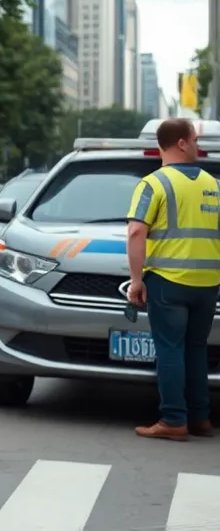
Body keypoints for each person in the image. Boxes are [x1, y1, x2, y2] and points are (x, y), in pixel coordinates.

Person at [126, 117, 220, 440]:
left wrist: (136, 281)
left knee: (169, 349)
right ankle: (200, 418)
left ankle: (173, 420)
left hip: (168, 281)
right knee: (196, 349)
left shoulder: (153, 184)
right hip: (208, 284)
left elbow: (137, 231)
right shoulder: (213, 184)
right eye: (194, 139)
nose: (198, 145)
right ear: (181, 142)